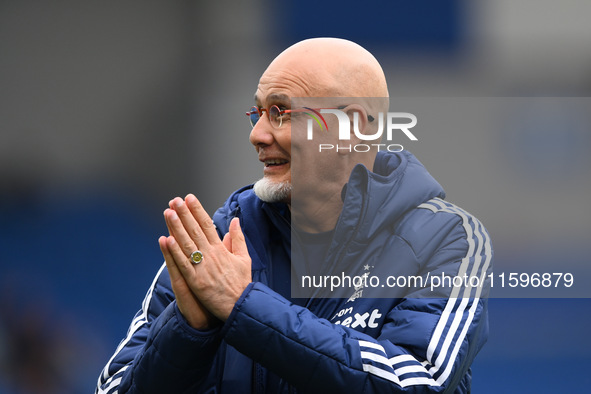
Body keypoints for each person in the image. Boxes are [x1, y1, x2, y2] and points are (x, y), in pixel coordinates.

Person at [96, 38, 492, 393]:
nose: (257, 134)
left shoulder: (446, 238)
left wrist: (242, 305)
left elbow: (419, 383)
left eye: (281, 112)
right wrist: (189, 330)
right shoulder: (218, 239)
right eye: (258, 112)